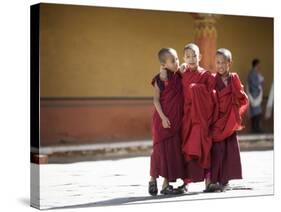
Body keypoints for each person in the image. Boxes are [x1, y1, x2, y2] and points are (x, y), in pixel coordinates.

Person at [161, 43, 216, 192]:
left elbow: (211, 95)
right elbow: (169, 80)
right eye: (188, 56)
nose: (191, 59)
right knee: (186, 150)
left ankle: (208, 181)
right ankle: (186, 183)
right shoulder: (182, 73)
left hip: (201, 119)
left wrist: (196, 89)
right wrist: (163, 71)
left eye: (194, 56)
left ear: (200, 57)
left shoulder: (205, 75)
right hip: (186, 118)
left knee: (203, 149)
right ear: (184, 58)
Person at [209, 48, 249, 192]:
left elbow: (241, 97)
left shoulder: (234, 78)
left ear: (229, 63)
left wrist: (236, 110)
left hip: (230, 121)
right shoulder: (213, 78)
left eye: (223, 63)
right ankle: (213, 180)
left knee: (229, 151)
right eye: (217, 62)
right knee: (216, 150)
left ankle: (225, 181)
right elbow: (208, 98)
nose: (220, 66)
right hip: (218, 120)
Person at [149, 48, 185, 196]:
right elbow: (156, 100)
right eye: (173, 60)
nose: (177, 62)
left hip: (175, 121)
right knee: (159, 151)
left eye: (177, 59)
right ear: (163, 64)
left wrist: (181, 67)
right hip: (162, 120)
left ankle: (166, 184)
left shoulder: (179, 76)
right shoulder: (160, 78)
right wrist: (163, 117)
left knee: (171, 152)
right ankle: (152, 179)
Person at [247, 59, 264, 133]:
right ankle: (256, 129)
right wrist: (260, 84)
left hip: (254, 95)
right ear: (256, 65)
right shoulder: (253, 73)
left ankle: (255, 128)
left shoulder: (254, 73)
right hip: (255, 95)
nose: (260, 66)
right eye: (259, 64)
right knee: (257, 113)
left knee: (255, 112)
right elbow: (255, 84)